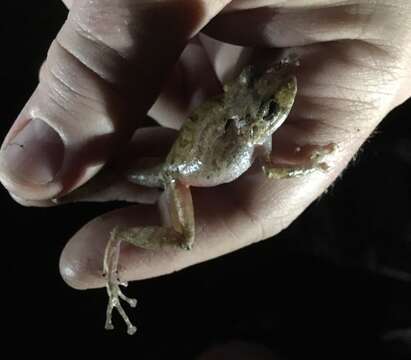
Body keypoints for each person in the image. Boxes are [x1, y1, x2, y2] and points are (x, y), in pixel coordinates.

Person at [0, 0, 410, 290]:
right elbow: (270, 168)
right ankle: (119, 239)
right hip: (179, 176)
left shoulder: (255, 130)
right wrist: (311, 163)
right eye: (271, 107)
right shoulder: (257, 137)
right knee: (182, 238)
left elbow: (258, 126)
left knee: (110, 172)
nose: (280, 100)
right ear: (257, 115)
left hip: (193, 147)